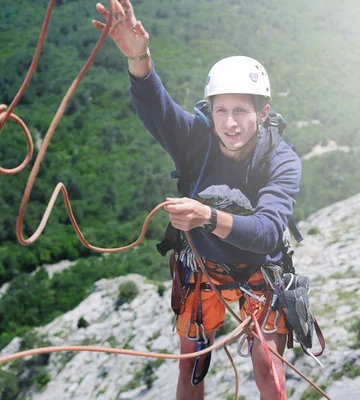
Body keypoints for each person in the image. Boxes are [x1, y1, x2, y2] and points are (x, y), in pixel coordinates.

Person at [93, 1, 301, 399]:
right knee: (191, 364)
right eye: (221, 110)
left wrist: (207, 216)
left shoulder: (281, 160)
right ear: (210, 111)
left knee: (267, 364)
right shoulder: (196, 139)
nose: (230, 123)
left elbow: (268, 233)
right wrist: (139, 57)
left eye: (241, 110)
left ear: (264, 113)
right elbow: (158, 110)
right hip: (202, 264)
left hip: (261, 267)